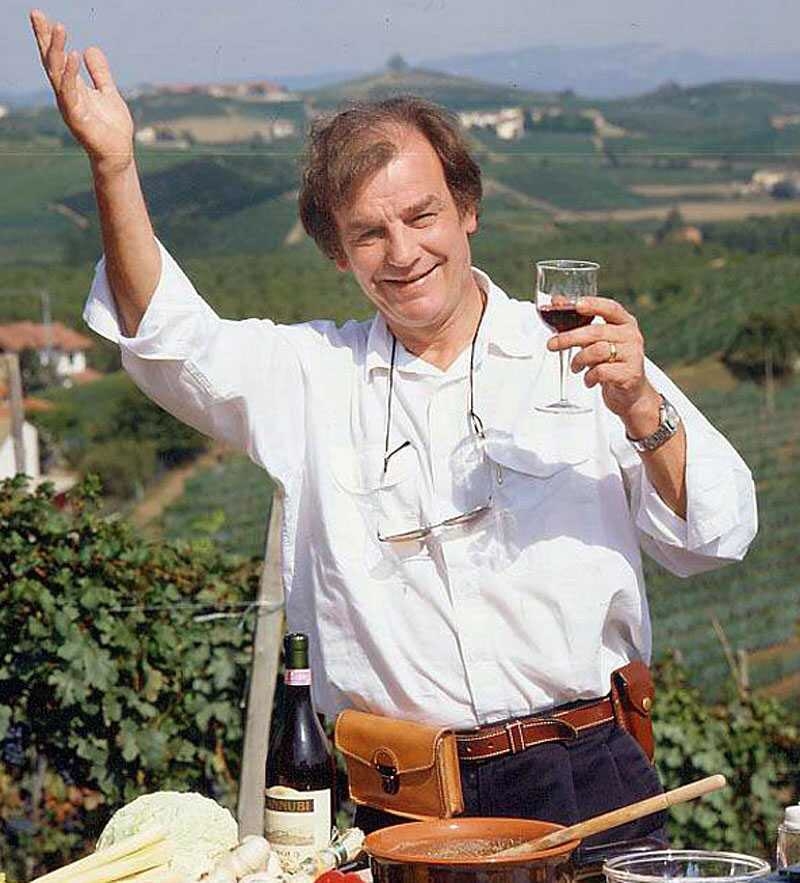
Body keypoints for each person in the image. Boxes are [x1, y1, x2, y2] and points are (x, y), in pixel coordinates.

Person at [31, 9, 756, 854]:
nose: (403, 252)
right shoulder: (312, 378)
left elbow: (718, 533)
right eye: (370, 233)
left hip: (592, 778)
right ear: (337, 252)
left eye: (421, 216)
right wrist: (114, 164)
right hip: (412, 810)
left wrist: (642, 410)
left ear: (467, 209)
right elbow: (166, 335)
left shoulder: (581, 354)